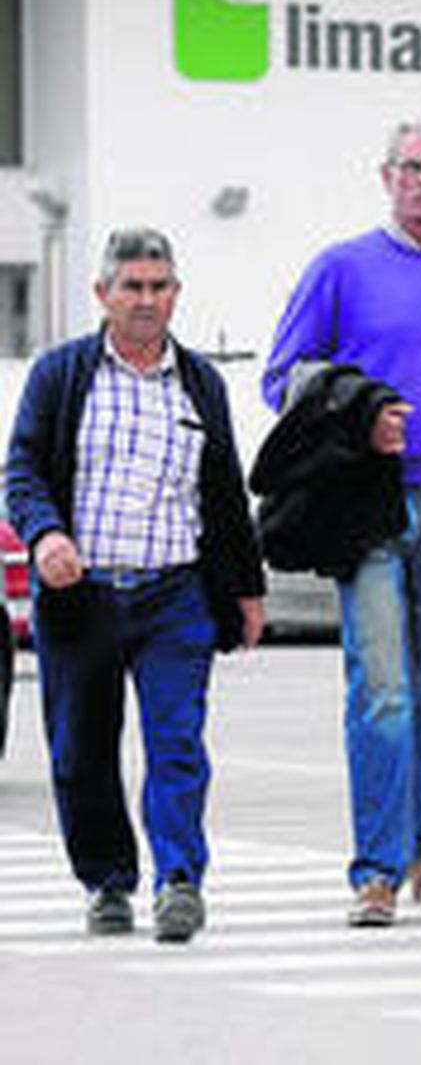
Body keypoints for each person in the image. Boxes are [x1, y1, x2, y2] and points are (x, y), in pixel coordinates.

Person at [262, 118, 421, 926]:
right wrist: (360, 417)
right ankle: (377, 869)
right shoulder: (340, 267)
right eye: (413, 166)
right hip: (367, 505)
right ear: (385, 175)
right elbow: (281, 379)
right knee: (384, 691)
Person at [6, 229, 265, 943]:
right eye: (133, 287)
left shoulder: (200, 382)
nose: (147, 300)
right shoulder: (61, 375)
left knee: (177, 741)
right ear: (103, 294)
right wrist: (46, 533)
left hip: (173, 594)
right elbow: (22, 468)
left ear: (176, 292)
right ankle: (108, 880)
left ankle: (180, 878)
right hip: (83, 596)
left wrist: (246, 590)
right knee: (81, 749)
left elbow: (223, 492)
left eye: (160, 287)